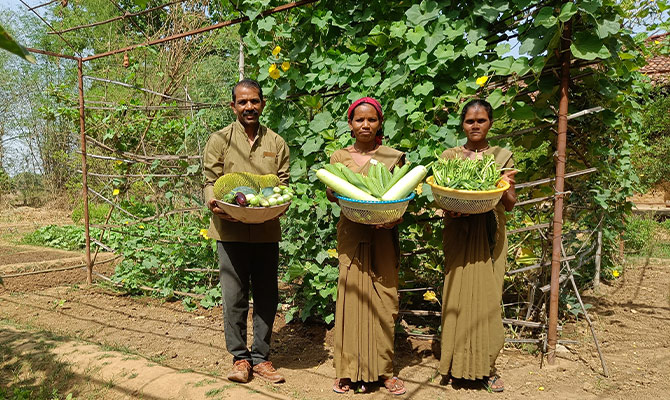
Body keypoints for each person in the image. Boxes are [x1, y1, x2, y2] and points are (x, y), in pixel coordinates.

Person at [202, 79, 290, 384]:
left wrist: (283, 203)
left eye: (254, 101)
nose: (249, 107)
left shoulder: (276, 143)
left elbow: (284, 183)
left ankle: (262, 358)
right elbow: (209, 180)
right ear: (233, 106)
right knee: (234, 295)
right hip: (229, 229)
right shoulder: (219, 140)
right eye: (242, 102)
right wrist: (213, 202)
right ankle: (240, 358)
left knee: (267, 295)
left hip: (267, 229)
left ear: (263, 104)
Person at [326, 97, 407, 395]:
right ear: (350, 124)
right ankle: (347, 371)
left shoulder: (393, 156)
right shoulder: (339, 157)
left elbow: (402, 196)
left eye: (371, 119)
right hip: (352, 233)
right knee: (351, 300)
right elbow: (332, 194)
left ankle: (384, 371)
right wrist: (335, 193)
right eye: (359, 120)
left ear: (379, 123)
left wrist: (392, 219)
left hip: (384, 237)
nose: (365, 125)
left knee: (385, 301)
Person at [438, 99, 517, 392]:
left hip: (489, 235)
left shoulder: (502, 156)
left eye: (481, 121)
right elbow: (442, 199)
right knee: (456, 296)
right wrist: (450, 208)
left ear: (490, 124)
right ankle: (453, 365)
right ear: (462, 124)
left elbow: (509, 205)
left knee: (487, 299)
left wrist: (505, 185)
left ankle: (486, 367)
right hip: (458, 232)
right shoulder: (450, 156)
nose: (475, 126)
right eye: (470, 121)